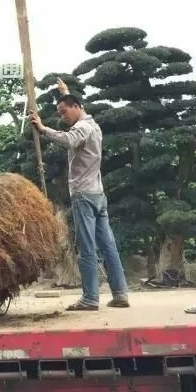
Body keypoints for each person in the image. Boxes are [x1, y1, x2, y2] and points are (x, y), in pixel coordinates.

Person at [29, 93, 129, 311]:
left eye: (64, 111)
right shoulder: (93, 125)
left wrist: (43, 129)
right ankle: (120, 294)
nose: (63, 117)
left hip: (84, 195)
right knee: (109, 246)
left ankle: (90, 298)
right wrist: (65, 89)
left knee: (87, 248)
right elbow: (74, 119)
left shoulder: (81, 128)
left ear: (76, 107)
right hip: (98, 195)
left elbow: (69, 139)